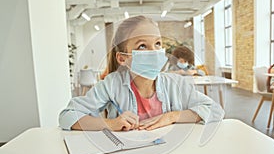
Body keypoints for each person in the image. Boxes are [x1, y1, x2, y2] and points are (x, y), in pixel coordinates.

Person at [59, 15, 222, 131]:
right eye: (143, 46)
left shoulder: (175, 83)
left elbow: (215, 110)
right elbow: (67, 116)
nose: (154, 51)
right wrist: (111, 123)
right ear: (122, 58)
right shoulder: (111, 84)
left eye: (158, 44)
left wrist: (171, 117)